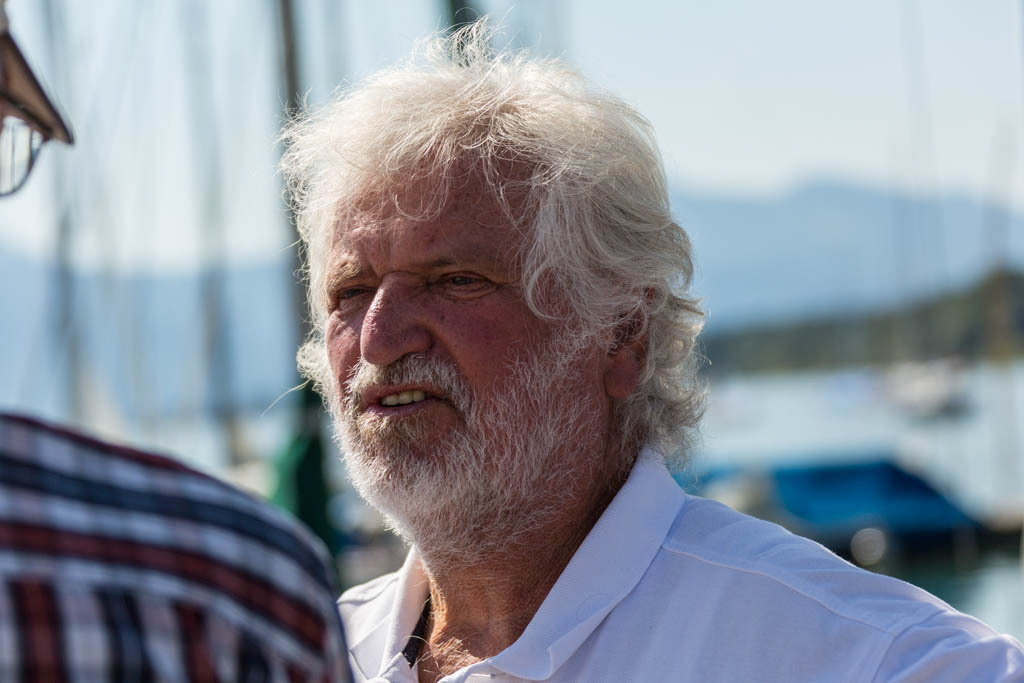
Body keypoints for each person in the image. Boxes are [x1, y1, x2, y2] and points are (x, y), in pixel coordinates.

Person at [281, 21, 1024, 683]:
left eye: (456, 280)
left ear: (621, 334)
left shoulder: (876, 659)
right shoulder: (290, 653)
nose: (379, 337)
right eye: (351, 291)